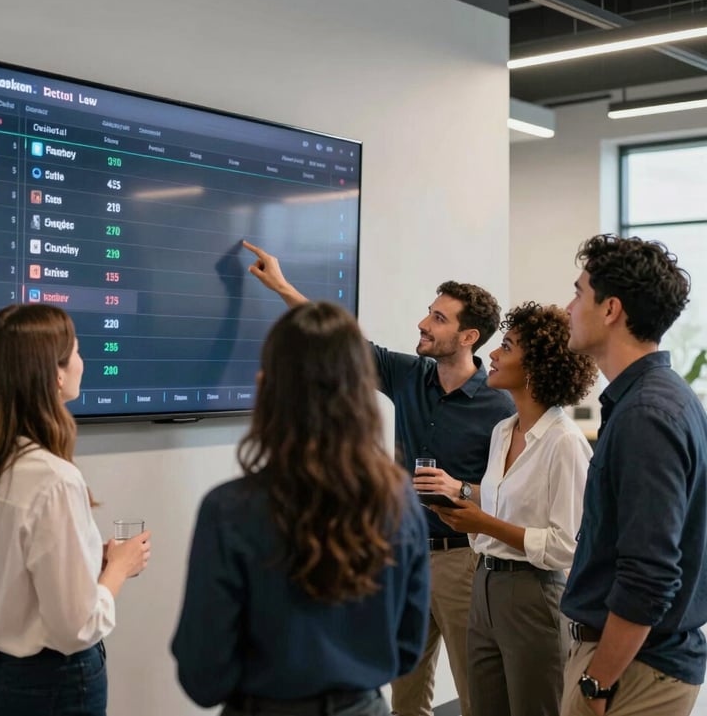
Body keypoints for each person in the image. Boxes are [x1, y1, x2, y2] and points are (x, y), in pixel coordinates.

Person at [241, 240, 514, 716]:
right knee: (405, 691)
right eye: (428, 313)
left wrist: (461, 489)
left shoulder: (499, 404)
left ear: (469, 337)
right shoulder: (410, 375)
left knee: (476, 693)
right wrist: (282, 286)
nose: (423, 324)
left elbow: (509, 492)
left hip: (462, 561)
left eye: (438, 319)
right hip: (403, 554)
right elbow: (341, 344)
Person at [171, 301, 430, 716]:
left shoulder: (228, 510)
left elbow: (204, 676)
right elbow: (406, 648)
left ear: (267, 386)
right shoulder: (399, 499)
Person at [0, 304, 151, 716]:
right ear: (55, 374)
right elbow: (76, 627)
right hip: (57, 685)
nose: (81, 362)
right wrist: (116, 571)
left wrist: (89, 561)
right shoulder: (55, 480)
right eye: (75, 352)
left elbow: (13, 575)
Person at [560, 234, 707, 716]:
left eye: (579, 292)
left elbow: (650, 574)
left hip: (632, 669)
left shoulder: (647, 412)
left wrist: (597, 682)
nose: (568, 306)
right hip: (633, 661)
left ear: (610, 310)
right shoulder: (654, 398)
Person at [427, 302, 596, 716]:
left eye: (506, 346)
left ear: (537, 366)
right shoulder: (504, 431)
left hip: (533, 593)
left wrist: (482, 522)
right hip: (483, 583)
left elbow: (565, 547)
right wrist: (458, 500)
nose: (493, 355)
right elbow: (500, 499)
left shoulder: (565, 442)